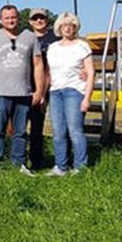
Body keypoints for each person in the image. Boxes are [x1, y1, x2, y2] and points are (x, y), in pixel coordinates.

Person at [0, 5, 44, 175]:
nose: (10, 20)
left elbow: (38, 65)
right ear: (0, 19)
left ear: (18, 18)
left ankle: (19, 163)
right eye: (6, 18)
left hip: (23, 92)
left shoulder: (30, 37)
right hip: (0, 92)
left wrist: (39, 90)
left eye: (13, 17)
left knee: (20, 131)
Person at [46, 12, 95, 175]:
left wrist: (87, 98)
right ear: (59, 27)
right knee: (58, 131)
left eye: (71, 25)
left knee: (75, 130)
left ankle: (80, 166)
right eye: (64, 25)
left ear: (75, 28)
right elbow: (49, 71)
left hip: (74, 91)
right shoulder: (52, 48)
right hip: (55, 92)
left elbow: (91, 72)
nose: (67, 28)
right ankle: (60, 166)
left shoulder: (82, 46)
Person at [27, 7, 60, 170]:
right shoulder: (26, 38)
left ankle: (60, 159)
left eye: (42, 18)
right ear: (30, 22)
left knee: (56, 124)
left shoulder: (56, 37)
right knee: (31, 125)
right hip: (30, 86)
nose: (39, 21)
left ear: (47, 20)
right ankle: (33, 159)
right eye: (35, 18)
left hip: (54, 85)